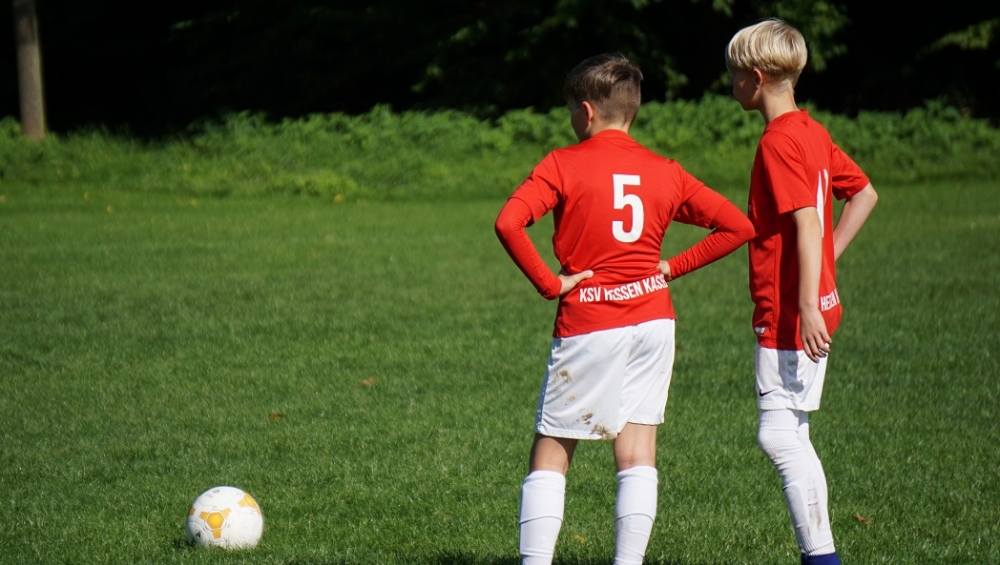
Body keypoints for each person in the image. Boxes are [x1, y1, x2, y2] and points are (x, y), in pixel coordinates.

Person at [494, 52, 755, 565]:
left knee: (552, 451)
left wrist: (551, 284)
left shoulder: (562, 163)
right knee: (637, 454)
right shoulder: (666, 171)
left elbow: (509, 222)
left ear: (587, 111)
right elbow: (738, 226)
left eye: (572, 110)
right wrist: (672, 267)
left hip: (590, 323)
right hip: (654, 322)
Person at [725, 19, 879, 565]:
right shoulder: (811, 131)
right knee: (794, 432)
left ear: (756, 77)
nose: (730, 83)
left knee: (778, 436)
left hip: (793, 312)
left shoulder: (777, 141)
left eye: (734, 74)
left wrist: (807, 303)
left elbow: (807, 222)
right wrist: (827, 270)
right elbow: (864, 194)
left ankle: (822, 557)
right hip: (813, 305)